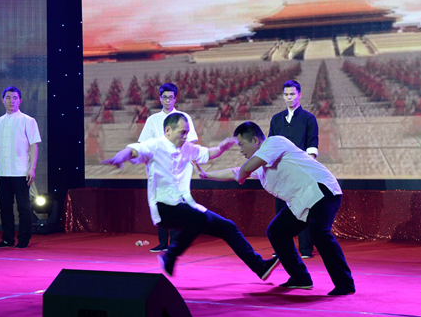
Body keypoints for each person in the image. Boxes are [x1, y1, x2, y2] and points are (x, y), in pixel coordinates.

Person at [101, 113, 279, 281]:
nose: (185, 136)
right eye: (182, 132)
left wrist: (222, 148)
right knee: (200, 219)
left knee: (228, 227)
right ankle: (170, 256)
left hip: (186, 206)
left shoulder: (187, 148)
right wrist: (118, 158)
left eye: (187, 132)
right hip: (164, 207)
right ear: (168, 130)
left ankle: (260, 267)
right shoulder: (154, 145)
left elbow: (208, 153)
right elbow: (131, 151)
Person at [200, 122, 355, 296]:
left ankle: (345, 284)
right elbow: (235, 172)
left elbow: (244, 170)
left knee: (319, 233)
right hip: (302, 200)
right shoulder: (261, 166)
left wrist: (242, 175)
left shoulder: (274, 142)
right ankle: (300, 278)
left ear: (255, 140)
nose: (241, 150)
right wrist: (205, 175)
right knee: (277, 231)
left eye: (242, 145)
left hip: (321, 191)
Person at [138, 83, 198, 253]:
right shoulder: (153, 120)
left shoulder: (183, 117)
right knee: (161, 204)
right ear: (160, 98)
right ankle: (163, 242)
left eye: (170, 97)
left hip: (179, 167)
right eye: (164, 97)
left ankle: (176, 243)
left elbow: (191, 141)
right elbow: (144, 143)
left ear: (175, 99)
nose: (167, 100)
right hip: (159, 167)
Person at [268, 80, 318, 258]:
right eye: (286, 94)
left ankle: (305, 249)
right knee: (282, 211)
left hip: (301, 173)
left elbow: (312, 146)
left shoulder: (308, 118)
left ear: (299, 95)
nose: (289, 98)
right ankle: (282, 248)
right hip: (281, 173)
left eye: (292, 94)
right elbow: (271, 146)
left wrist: (306, 169)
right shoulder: (276, 119)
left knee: (302, 210)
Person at [0, 86, 41, 249]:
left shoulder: (28, 121)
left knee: (23, 207)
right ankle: (7, 238)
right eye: (8, 97)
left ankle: (24, 239)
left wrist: (32, 168)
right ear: (2, 100)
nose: (11, 101)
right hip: (3, 172)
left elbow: (34, 145)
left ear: (20, 100)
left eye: (15, 98)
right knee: (5, 207)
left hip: (20, 171)